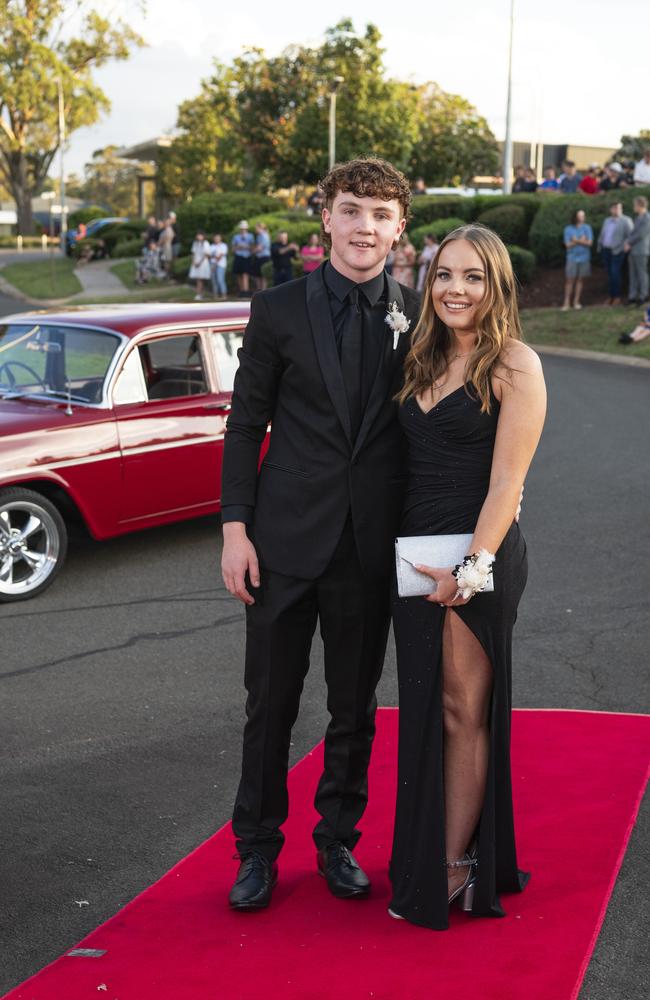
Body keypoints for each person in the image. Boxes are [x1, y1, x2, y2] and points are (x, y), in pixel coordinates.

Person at [220, 156, 420, 912]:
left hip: (370, 548)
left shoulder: (420, 310)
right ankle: (256, 851)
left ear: (399, 228)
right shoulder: (275, 309)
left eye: (379, 215)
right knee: (268, 705)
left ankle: (337, 840)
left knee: (354, 709)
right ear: (326, 218)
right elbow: (245, 426)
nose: (364, 227)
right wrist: (236, 530)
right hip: (280, 544)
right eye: (350, 210)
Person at [389, 224, 546, 929]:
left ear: (497, 286)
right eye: (445, 274)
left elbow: (508, 483)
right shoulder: (418, 358)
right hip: (414, 561)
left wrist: (471, 573)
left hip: (475, 562)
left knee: (462, 712)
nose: (456, 288)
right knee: (428, 710)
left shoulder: (515, 363)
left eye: (474, 277)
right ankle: (433, 851)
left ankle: (457, 864)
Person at [597, 201, 633, 305]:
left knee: (615, 273)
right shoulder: (607, 220)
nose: (617, 210)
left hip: (618, 251)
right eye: (615, 208)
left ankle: (617, 297)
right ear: (611, 209)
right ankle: (611, 296)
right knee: (610, 274)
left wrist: (625, 246)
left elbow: (631, 236)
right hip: (606, 250)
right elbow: (602, 234)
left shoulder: (626, 220)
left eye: (619, 208)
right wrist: (600, 245)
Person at [562, 208, 593, 310]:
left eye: (583, 216)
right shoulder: (568, 229)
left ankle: (576, 302)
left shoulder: (587, 228)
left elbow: (589, 243)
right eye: (580, 215)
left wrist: (575, 240)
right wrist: (581, 240)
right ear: (575, 217)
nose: (582, 218)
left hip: (584, 257)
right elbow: (567, 245)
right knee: (569, 280)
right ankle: (566, 303)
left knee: (580, 280)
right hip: (572, 258)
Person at [624, 196, 650, 304]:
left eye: (635, 205)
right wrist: (627, 242)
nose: (634, 207)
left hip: (641, 250)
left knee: (641, 273)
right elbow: (633, 233)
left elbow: (641, 234)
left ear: (640, 205)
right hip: (633, 250)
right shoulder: (638, 217)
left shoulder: (647, 218)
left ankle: (643, 295)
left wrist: (629, 243)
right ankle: (632, 296)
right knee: (633, 274)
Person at [231, 221, 255, 295]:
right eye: (242, 228)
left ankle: (246, 290)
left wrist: (246, 246)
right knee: (239, 274)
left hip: (246, 257)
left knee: (245, 273)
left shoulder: (250, 236)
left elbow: (253, 247)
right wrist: (238, 246)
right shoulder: (236, 237)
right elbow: (233, 249)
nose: (243, 230)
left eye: (244, 228)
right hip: (239, 256)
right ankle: (242, 290)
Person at [188, 231, 212, 300]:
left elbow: (206, 254)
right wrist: (194, 262)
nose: (198, 237)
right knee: (198, 279)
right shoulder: (195, 243)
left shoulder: (205, 243)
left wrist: (199, 263)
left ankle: (200, 293)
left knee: (200, 279)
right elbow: (193, 253)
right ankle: (200, 293)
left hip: (203, 263)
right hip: (196, 262)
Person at [252, 223, 271, 291]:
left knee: (263, 275)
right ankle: (259, 291)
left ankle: (263, 291)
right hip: (259, 257)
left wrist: (252, 251)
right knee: (258, 275)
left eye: (256, 228)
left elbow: (260, 248)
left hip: (264, 257)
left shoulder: (264, 236)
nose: (255, 230)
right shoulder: (259, 236)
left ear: (260, 228)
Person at [210, 233, 228, 299]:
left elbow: (221, 255)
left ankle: (224, 294)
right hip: (212, 264)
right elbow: (209, 255)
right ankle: (215, 294)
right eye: (215, 238)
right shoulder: (211, 246)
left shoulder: (223, 246)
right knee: (214, 281)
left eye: (218, 238)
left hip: (221, 265)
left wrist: (215, 259)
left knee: (220, 280)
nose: (216, 239)